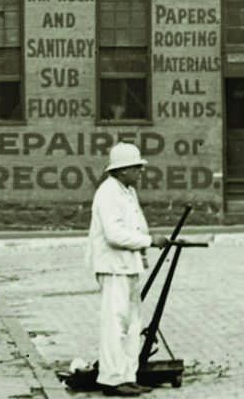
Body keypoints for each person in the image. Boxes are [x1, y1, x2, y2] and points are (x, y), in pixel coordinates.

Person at [87, 143, 168, 397]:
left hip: (128, 266)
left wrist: (147, 243)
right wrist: (148, 241)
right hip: (112, 267)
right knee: (115, 322)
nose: (140, 172)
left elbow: (137, 226)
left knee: (132, 324)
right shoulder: (108, 193)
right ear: (122, 170)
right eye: (136, 168)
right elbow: (114, 235)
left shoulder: (128, 192)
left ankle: (128, 375)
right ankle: (112, 379)